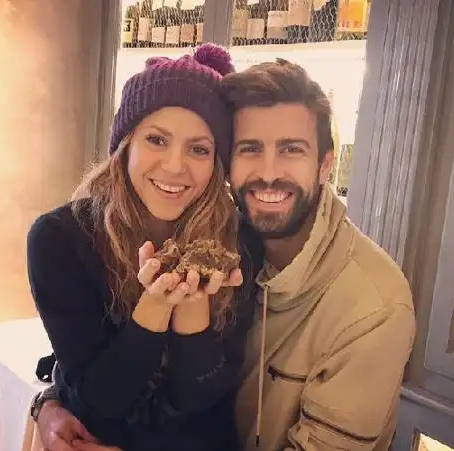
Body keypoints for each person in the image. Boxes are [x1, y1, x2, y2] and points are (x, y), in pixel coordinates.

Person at [33, 58, 416, 451]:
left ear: (325, 165)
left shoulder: (372, 307)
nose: (269, 172)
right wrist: (51, 400)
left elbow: (195, 396)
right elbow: (92, 356)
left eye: (291, 149)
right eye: (250, 149)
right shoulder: (233, 239)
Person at [25, 43, 264, 451]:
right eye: (156, 139)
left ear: (217, 163)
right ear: (126, 145)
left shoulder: (238, 241)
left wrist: (191, 309)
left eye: (199, 149)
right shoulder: (60, 239)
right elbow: (99, 401)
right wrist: (153, 308)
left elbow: (201, 401)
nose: (174, 166)